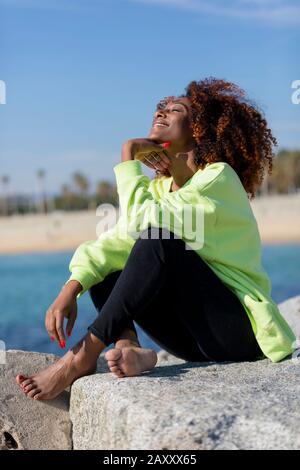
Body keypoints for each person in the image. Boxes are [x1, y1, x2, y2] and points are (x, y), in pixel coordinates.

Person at [16, 77, 296, 401]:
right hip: (189, 341)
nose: (161, 113)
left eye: (174, 110)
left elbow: (146, 229)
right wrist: (73, 285)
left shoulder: (218, 178)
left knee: (157, 241)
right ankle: (130, 348)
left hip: (235, 333)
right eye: (160, 108)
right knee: (110, 264)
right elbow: (120, 239)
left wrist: (128, 154)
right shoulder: (160, 189)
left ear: (198, 129)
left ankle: (82, 356)